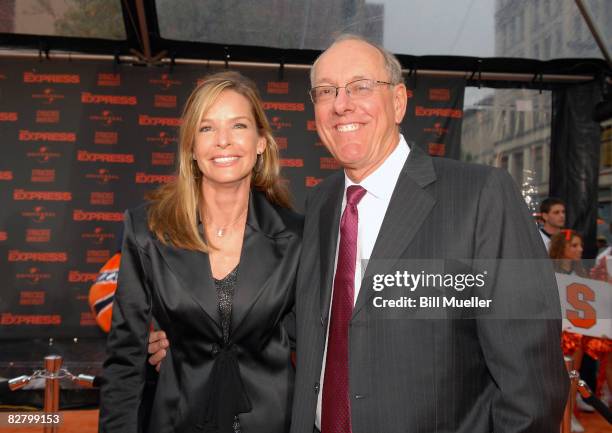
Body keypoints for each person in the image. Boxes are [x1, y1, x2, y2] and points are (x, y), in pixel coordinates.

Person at [150, 35, 569, 432]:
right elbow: (294, 323)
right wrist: (196, 333)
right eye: (327, 91)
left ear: (399, 101)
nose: (342, 105)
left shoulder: (480, 196)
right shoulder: (320, 205)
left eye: (360, 86)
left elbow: (531, 383)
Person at [99, 71, 302, 433]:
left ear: (261, 142)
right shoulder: (147, 230)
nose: (223, 141)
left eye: (238, 125)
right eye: (207, 129)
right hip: (176, 420)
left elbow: (318, 342)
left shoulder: (297, 237)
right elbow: (125, 359)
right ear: (191, 147)